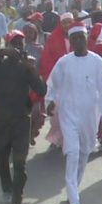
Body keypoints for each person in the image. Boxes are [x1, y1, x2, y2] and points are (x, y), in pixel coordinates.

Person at [45, 22, 102, 204]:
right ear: (71, 41)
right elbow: (52, 84)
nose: (77, 41)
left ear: (86, 39)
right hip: (69, 116)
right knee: (73, 154)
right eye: (73, 38)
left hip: (89, 118)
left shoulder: (97, 62)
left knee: (85, 152)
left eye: (80, 38)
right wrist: (50, 102)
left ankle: (73, 188)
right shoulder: (63, 62)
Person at [0, 30, 47, 204]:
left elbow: (41, 90)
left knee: (20, 164)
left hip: (20, 122)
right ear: (8, 45)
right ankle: (6, 190)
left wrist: (32, 69)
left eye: (20, 43)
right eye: (14, 43)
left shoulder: (26, 67)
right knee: (2, 160)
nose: (18, 46)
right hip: (0, 122)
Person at [39, 12, 74, 147]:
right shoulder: (53, 39)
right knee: (57, 113)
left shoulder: (78, 38)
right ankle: (57, 136)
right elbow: (47, 61)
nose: (67, 25)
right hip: (59, 83)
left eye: (69, 22)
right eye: (64, 23)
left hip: (74, 83)